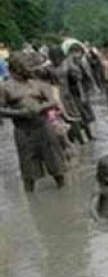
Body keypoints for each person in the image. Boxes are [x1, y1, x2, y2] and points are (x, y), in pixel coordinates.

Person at [0, 52, 67, 192]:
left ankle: (63, 190)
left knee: (56, 165)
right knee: (28, 172)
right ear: (13, 70)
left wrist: (39, 108)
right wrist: (19, 113)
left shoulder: (37, 84)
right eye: (21, 70)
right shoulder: (5, 87)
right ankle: (31, 199)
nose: (25, 73)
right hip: (24, 132)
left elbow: (53, 101)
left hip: (44, 128)